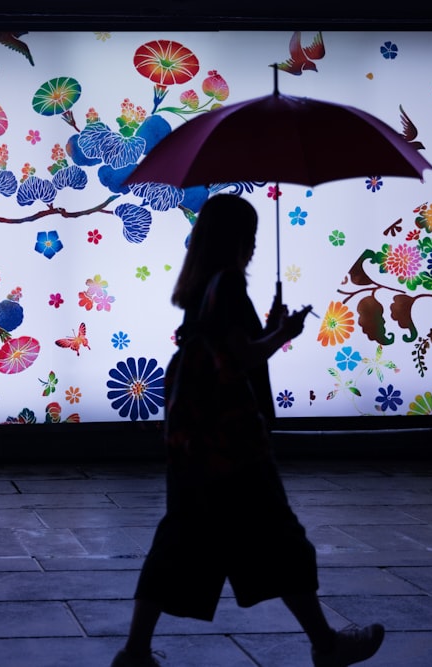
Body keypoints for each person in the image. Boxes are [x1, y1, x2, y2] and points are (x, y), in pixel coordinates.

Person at [111, 195, 384, 667]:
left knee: (182, 538)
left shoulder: (201, 287)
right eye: (250, 237)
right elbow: (239, 358)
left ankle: (135, 651)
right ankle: (327, 644)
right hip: (230, 439)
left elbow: (224, 348)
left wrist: (269, 329)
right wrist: (283, 333)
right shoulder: (230, 284)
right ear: (235, 239)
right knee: (277, 535)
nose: (254, 247)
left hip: (193, 436)